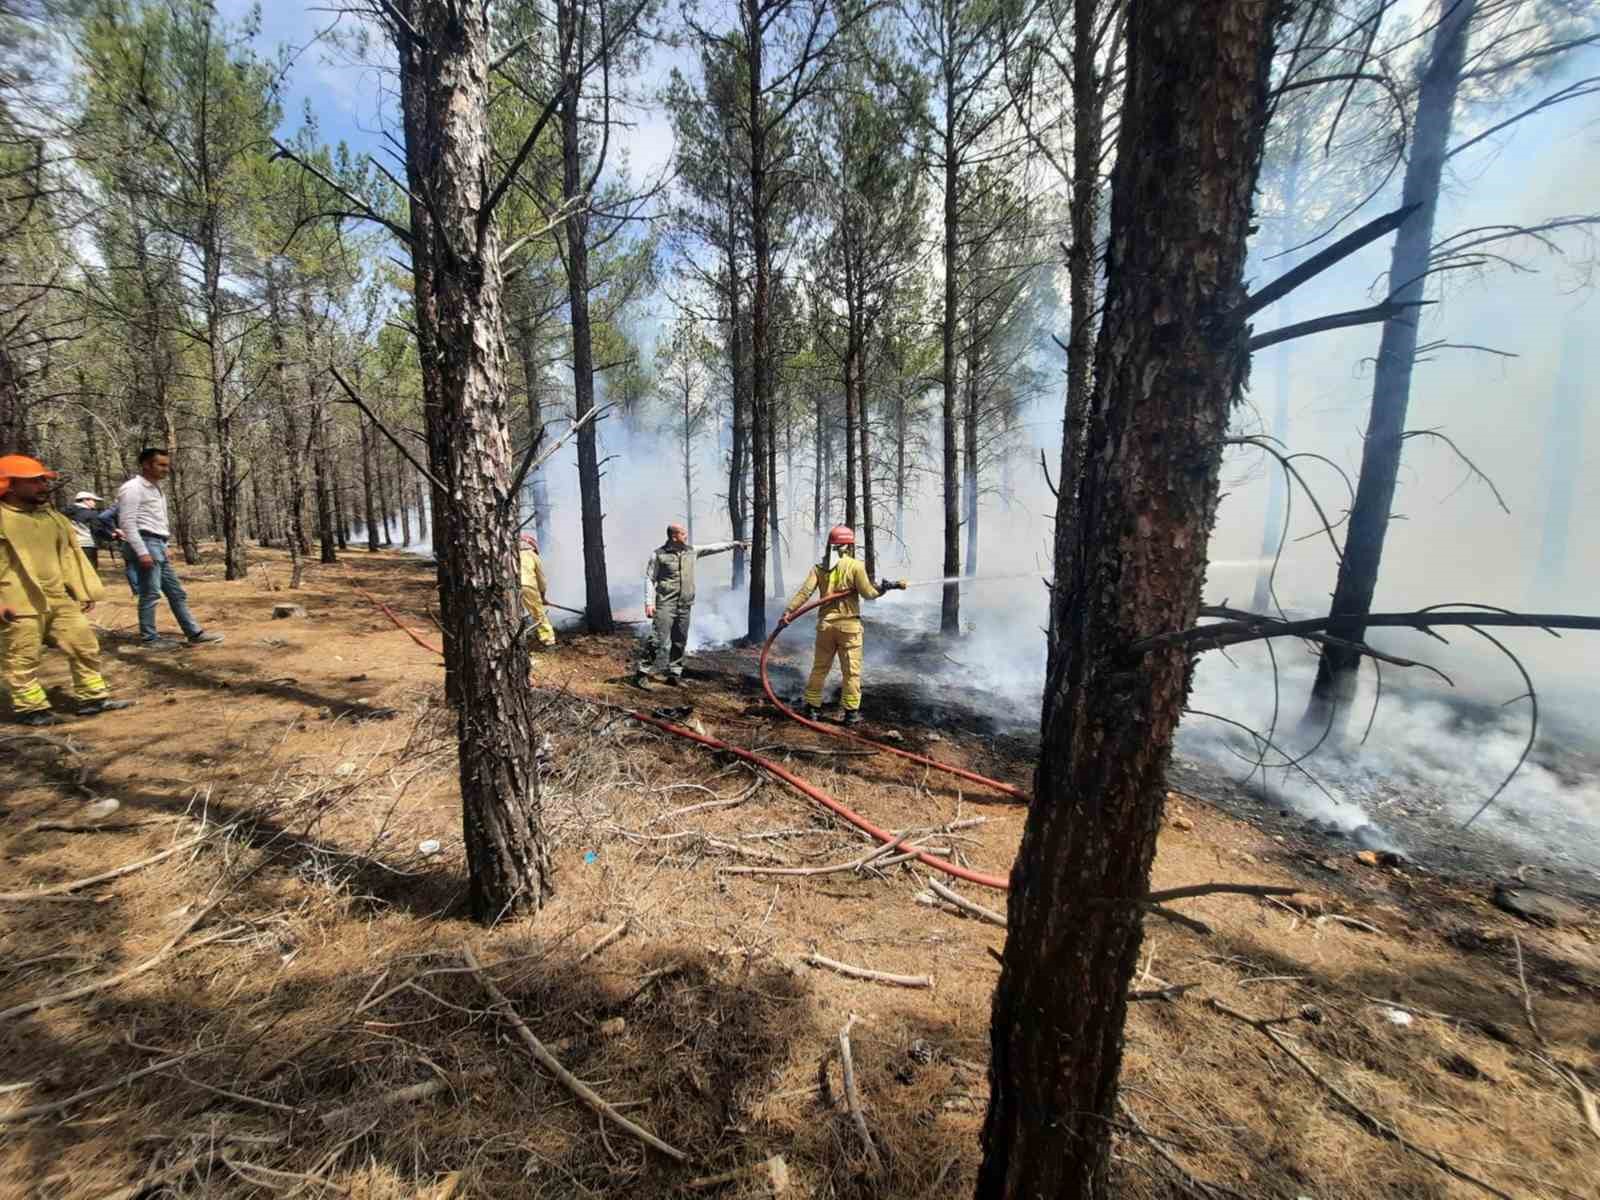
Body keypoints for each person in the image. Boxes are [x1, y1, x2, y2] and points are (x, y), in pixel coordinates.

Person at [0, 455, 134, 726]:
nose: (43, 486)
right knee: (21, 656)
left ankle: (93, 698)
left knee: (84, 644)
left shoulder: (54, 518)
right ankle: (31, 709)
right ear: (9, 485)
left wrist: (82, 589)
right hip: (16, 603)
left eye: (43, 480)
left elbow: (70, 556)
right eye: (34, 481)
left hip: (58, 599)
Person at [781, 525, 906, 726]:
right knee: (851, 672)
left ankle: (812, 708)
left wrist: (788, 611)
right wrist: (886, 588)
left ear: (830, 544)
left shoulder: (819, 568)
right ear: (848, 545)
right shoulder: (856, 566)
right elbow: (868, 594)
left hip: (826, 627)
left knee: (819, 668)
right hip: (849, 628)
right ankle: (850, 714)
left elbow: (804, 593)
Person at [116, 447, 223, 650]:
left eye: (167, 465)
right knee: (150, 593)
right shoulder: (133, 488)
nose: (166, 469)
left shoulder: (156, 489)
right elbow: (127, 523)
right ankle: (149, 639)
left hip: (156, 544)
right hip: (145, 542)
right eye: (161, 465)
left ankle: (194, 633)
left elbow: (157, 520)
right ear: (146, 465)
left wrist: (164, 545)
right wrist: (142, 552)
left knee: (176, 593)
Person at [637, 523, 746, 687]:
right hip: (666, 604)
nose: (686, 536)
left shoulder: (691, 551)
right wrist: (648, 603)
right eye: (683, 533)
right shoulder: (658, 555)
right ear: (674, 537)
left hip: (685, 604)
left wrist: (735, 544)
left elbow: (713, 547)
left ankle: (674, 674)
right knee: (658, 639)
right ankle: (642, 673)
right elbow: (649, 579)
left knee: (680, 640)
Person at [518, 532, 556, 649]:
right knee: (538, 614)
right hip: (527, 585)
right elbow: (541, 581)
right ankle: (549, 642)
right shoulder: (532, 555)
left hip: (511, 587)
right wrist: (542, 597)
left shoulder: (512, 553)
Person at [62, 490, 117, 569]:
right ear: (85, 500)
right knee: (90, 570)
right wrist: (111, 536)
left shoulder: (64, 513)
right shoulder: (92, 514)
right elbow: (98, 530)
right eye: (93, 500)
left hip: (69, 545)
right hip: (87, 545)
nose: (95, 503)